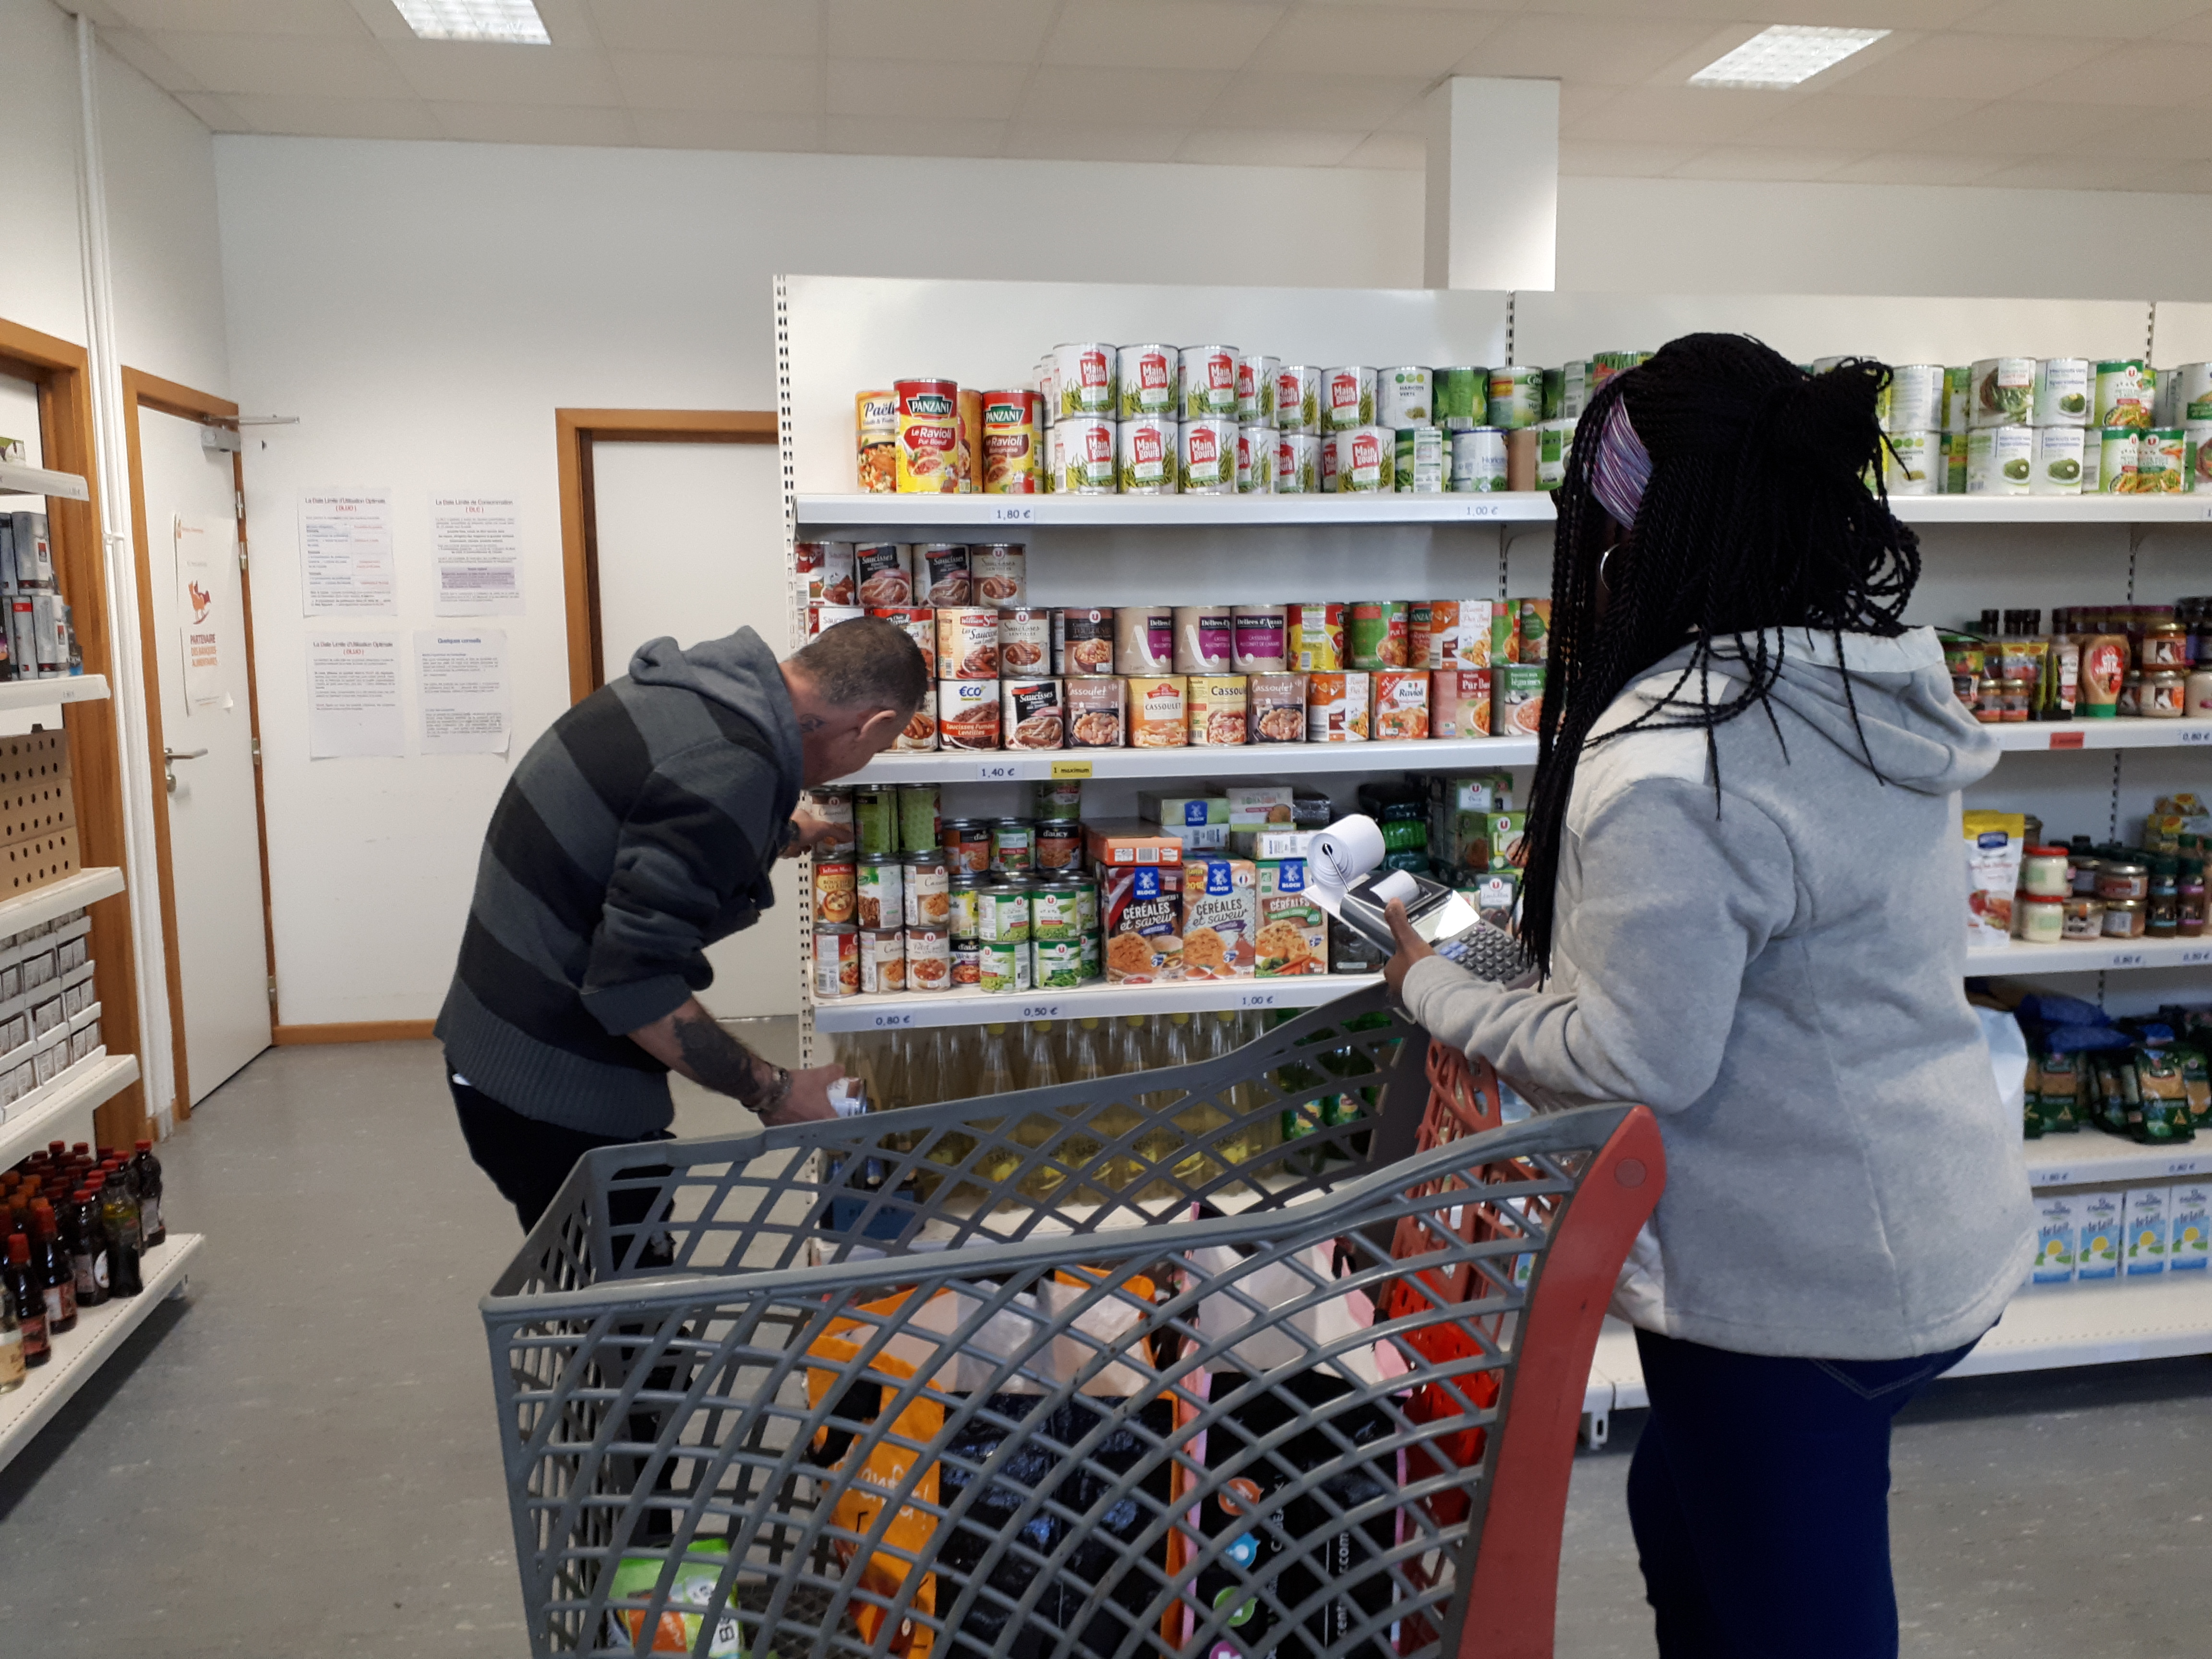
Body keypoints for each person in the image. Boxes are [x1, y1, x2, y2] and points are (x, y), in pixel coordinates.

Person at [1382, 335, 2032, 1659]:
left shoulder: (1679, 755)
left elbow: (1631, 1058)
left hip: (1796, 1283)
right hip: (1927, 1211)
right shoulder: (1857, 679)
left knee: (1793, 1616)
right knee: (1686, 1522)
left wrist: (1433, 984)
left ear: (1636, 533)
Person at [435, 615, 927, 1230]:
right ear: (875, 724)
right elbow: (633, 982)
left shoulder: (697, 694)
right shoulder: (730, 769)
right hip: (550, 1078)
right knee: (618, 1296)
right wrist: (775, 1092)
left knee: (594, 1283)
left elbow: (648, 820)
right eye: (879, 749)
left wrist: (780, 832)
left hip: (494, 1033)